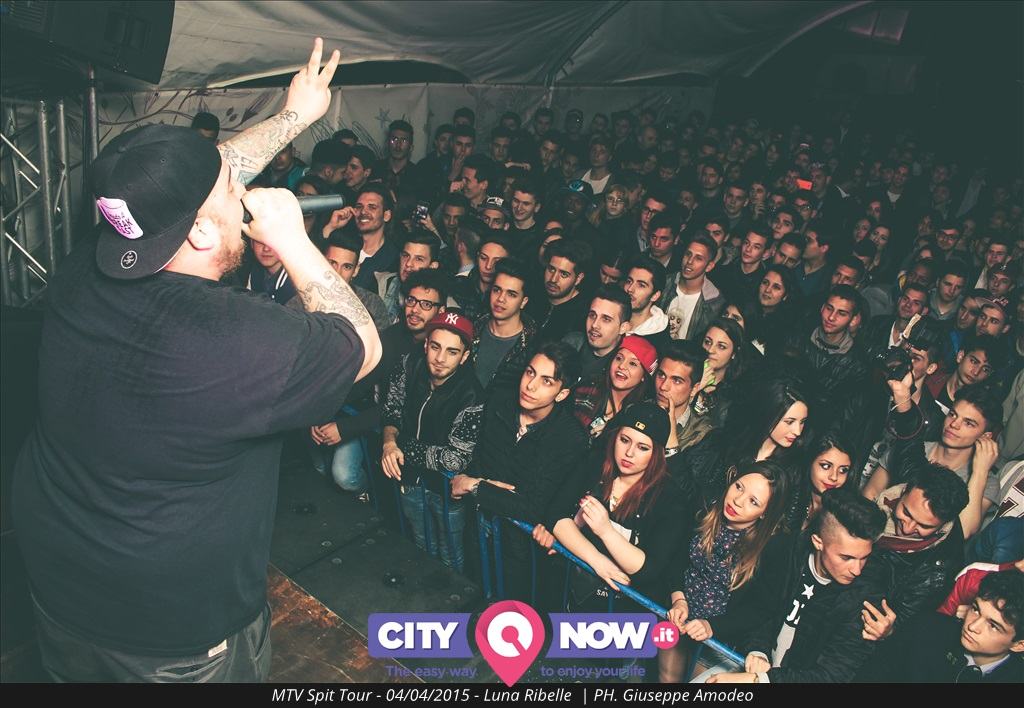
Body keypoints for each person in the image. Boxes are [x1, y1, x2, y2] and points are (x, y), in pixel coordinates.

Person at [13, 39, 382, 682]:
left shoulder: (88, 263)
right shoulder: (234, 338)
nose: (242, 189)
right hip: (167, 633)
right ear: (204, 231)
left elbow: (205, 173)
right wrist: (293, 239)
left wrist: (296, 115)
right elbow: (364, 346)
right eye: (231, 195)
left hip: (60, 581)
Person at [450, 343, 588, 605]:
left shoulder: (569, 437)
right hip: (478, 525)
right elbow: (478, 458)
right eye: (530, 372)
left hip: (521, 548)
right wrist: (486, 483)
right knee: (470, 595)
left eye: (546, 381)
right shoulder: (500, 402)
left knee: (511, 612)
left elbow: (532, 506)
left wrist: (475, 486)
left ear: (561, 394)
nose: (530, 385)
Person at [707, 490, 889, 684]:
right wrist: (758, 651)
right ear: (818, 542)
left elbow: (832, 676)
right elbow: (760, 611)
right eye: (846, 558)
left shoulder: (865, 597)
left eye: (864, 558)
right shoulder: (785, 553)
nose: (857, 570)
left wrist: (760, 680)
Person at [536, 402, 690, 609]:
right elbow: (556, 515)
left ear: (657, 454)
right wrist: (597, 561)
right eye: (624, 440)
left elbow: (648, 569)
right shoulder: (595, 464)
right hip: (567, 592)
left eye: (642, 447)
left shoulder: (669, 497)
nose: (629, 453)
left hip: (620, 612)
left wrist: (605, 531)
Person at [661, 460, 793, 682]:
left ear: (765, 513)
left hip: (719, 640)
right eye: (739, 487)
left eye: (753, 501)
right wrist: (678, 600)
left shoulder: (773, 547)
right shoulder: (703, 508)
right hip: (677, 619)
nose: (738, 501)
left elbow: (761, 608)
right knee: (666, 681)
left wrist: (711, 626)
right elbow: (675, 559)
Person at [381, 311, 485, 569]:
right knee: (420, 543)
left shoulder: (472, 395)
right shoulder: (408, 364)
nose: (440, 359)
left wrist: (401, 446)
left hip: (447, 490)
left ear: (464, 357)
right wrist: (388, 442)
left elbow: (455, 459)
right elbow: (392, 409)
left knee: (451, 555)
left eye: (452, 352)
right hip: (408, 480)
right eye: (436, 347)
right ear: (426, 344)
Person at [879, 569, 1024, 683]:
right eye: (976, 609)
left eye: (993, 626)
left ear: (1019, 645)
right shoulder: (925, 629)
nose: (972, 626)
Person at [470, 257, 537, 394]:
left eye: (511, 294)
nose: (501, 299)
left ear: (523, 302)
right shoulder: (472, 328)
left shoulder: (533, 346)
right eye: (497, 290)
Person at [574, 334, 657, 442]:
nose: (622, 366)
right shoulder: (588, 390)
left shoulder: (642, 413)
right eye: (618, 358)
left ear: (643, 376)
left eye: (632, 363)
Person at [660, 233, 724, 342]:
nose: (689, 261)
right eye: (688, 254)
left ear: (709, 266)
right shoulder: (664, 283)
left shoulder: (715, 304)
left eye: (698, 258)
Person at [563, 285, 633, 379]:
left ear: (623, 328)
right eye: (592, 315)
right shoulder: (572, 343)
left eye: (606, 319)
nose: (594, 325)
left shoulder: (623, 366)